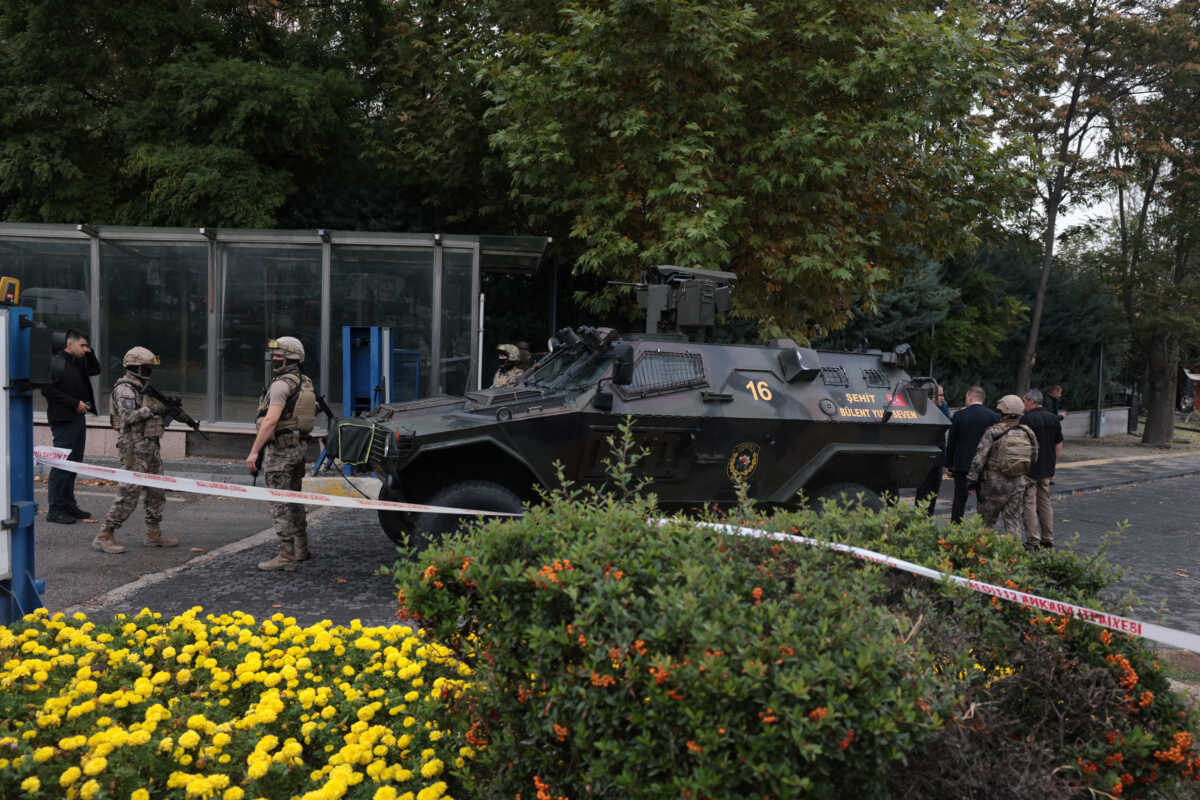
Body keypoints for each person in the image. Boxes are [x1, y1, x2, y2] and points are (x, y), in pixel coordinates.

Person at [94, 347, 177, 554]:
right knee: (129, 493)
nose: (149, 371)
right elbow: (128, 417)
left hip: (150, 446)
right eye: (146, 367)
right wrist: (153, 409)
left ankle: (153, 534)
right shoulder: (125, 389)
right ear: (134, 367)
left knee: (157, 491)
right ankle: (104, 534)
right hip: (133, 448)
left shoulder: (142, 388)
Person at [246, 336, 316, 571]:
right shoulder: (304, 382)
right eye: (274, 356)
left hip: (280, 453)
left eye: (279, 356)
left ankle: (286, 555)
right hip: (298, 449)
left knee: (279, 502)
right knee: (294, 499)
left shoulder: (280, 385)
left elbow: (270, 421)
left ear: (291, 359)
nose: (274, 359)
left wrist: (254, 451)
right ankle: (301, 548)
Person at [41, 329, 99, 524]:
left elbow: (95, 370)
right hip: (63, 419)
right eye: (82, 345)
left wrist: (90, 353)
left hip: (77, 417)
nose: (85, 349)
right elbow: (47, 390)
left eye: (86, 346)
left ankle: (68, 504)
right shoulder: (57, 362)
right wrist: (74, 403)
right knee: (61, 464)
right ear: (69, 344)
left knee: (74, 463)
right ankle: (55, 509)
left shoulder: (79, 361)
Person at [967, 394, 1038, 540]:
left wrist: (971, 480)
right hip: (1017, 483)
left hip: (994, 485)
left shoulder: (993, 431)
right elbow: (1034, 456)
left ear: (1001, 411)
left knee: (986, 523)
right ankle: (1013, 551)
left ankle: (984, 550)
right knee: (1013, 522)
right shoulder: (1027, 432)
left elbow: (979, 459)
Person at [944, 386, 1001, 523]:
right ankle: (984, 528)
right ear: (982, 399)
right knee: (984, 500)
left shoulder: (959, 416)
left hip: (963, 465)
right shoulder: (994, 417)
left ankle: (955, 527)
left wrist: (948, 464)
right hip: (985, 465)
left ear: (969, 397)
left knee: (959, 499)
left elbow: (952, 442)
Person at [1021, 388, 1063, 550]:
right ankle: (1048, 538)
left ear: (1032, 401)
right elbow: (1058, 444)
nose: (1023, 404)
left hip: (1030, 468)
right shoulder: (1053, 419)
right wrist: (1053, 465)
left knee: (1029, 503)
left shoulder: (1026, 420)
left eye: (1025, 401)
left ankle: (1033, 540)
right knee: (1045, 502)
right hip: (1047, 468)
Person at [914, 384, 951, 515]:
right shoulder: (921, 410)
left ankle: (928, 517)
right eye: (940, 395)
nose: (943, 398)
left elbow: (948, 422)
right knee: (923, 491)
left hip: (938, 458)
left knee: (933, 492)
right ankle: (920, 519)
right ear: (931, 397)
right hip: (924, 458)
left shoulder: (941, 408)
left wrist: (942, 406)